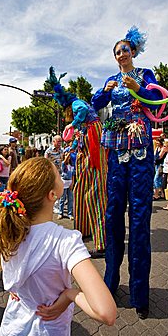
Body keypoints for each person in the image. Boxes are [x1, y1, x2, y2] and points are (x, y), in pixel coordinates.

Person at [0, 157, 116, 336]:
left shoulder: (12, 237)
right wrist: (71, 294)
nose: (63, 178)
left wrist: (0, 228)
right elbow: (106, 312)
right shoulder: (65, 240)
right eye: (59, 175)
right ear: (53, 195)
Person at [91, 26, 162, 319]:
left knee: (140, 218)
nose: (121, 54)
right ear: (115, 57)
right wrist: (101, 92)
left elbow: (157, 100)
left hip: (141, 150)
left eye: (125, 49)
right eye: (117, 51)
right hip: (116, 150)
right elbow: (95, 106)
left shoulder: (145, 74)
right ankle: (110, 283)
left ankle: (139, 295)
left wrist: (139, 90)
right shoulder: (110, 80)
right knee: (113, 215)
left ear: (133, 51)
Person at [46, 67, 107, 257]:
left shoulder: (77, 105)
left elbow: (80, 111)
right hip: (84, 149)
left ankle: (102, 242)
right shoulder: (81, 125)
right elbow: (77, 139)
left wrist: (71, 124)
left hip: (94, 145)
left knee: (95, 192)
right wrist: (70, 148)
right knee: (79, 189)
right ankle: (83, 231)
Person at [58, 151, 74, 220]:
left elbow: (73, 175)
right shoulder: (63, 164)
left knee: (70, 199)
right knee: (62, 199)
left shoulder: (72, 165)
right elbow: (64, 161)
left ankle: (70, 213)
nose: (68, 157)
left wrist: (72, 183)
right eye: (66, 155)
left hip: (70, 182)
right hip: (64, 183)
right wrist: (69, 153)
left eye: (69, 156)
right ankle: (60, 213)